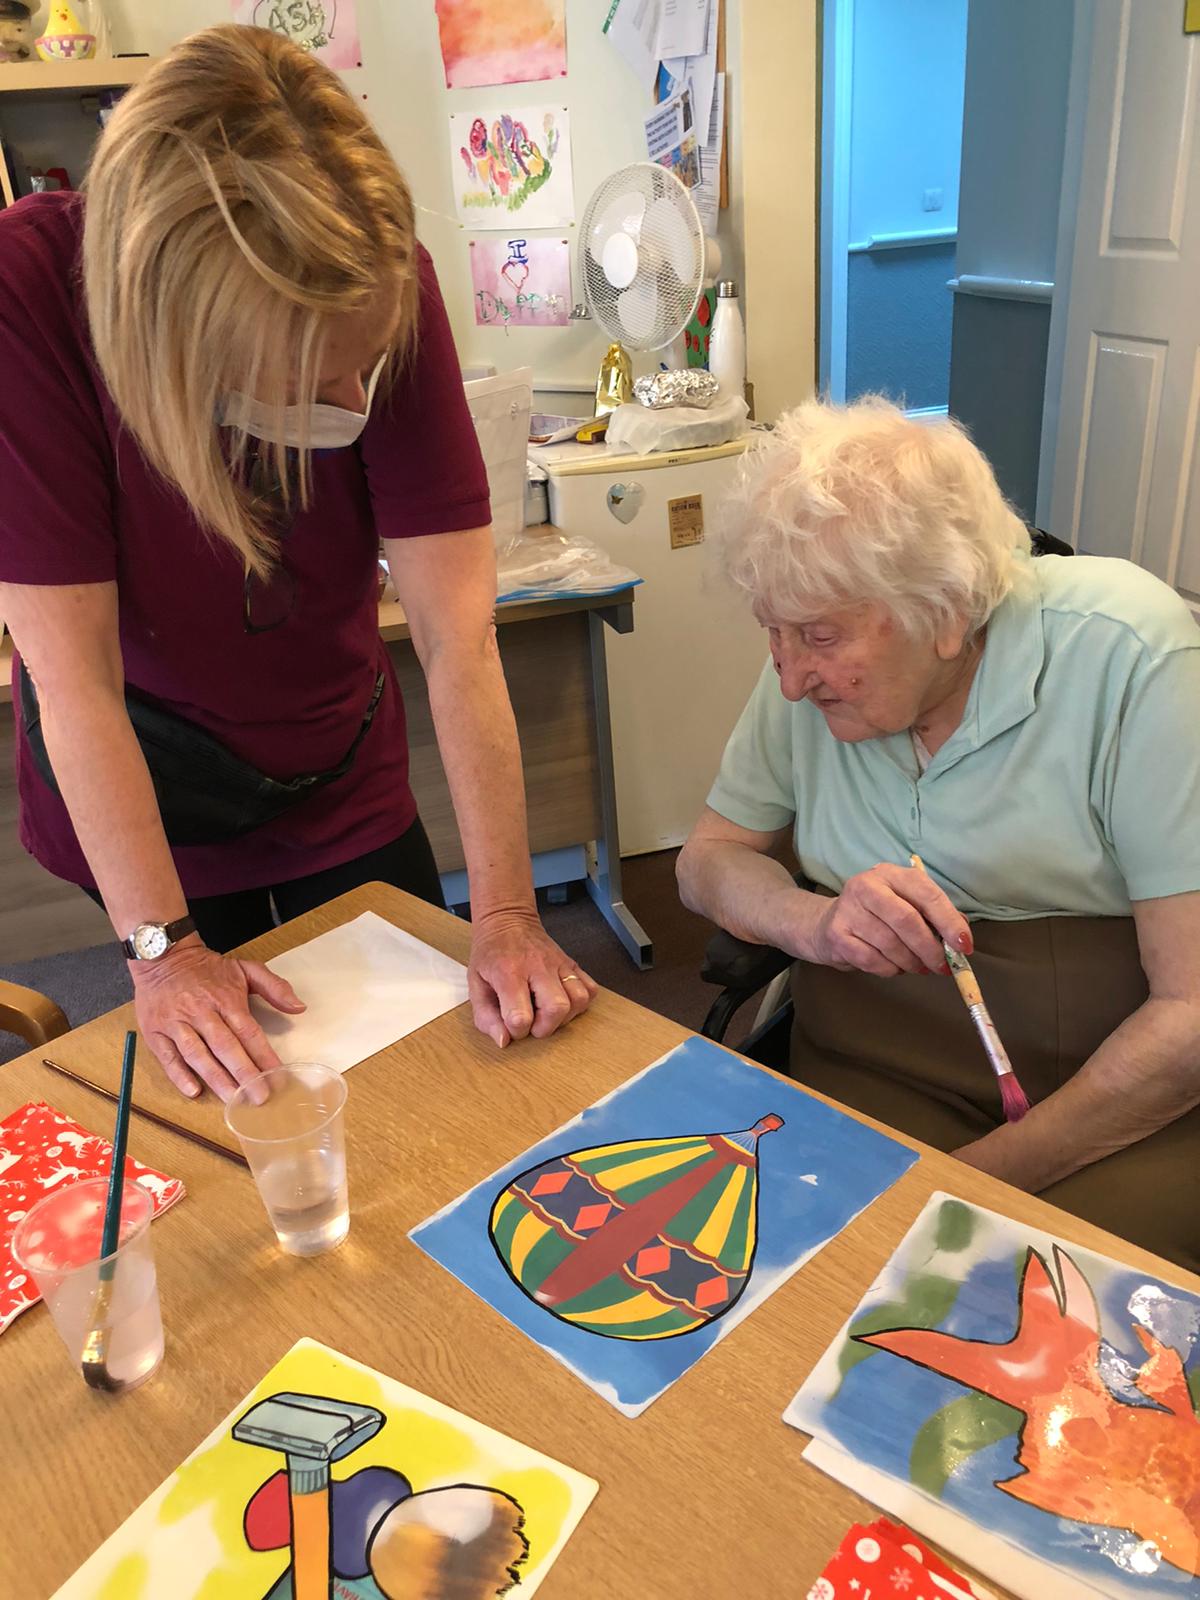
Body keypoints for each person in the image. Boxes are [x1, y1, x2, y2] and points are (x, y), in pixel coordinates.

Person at [0, 26, 596, 1104]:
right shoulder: (29, 294)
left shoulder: (381, 279)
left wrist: (508, 913)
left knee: (426, 1079)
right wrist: (164, 954)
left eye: (362, 365)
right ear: (183, 341)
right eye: (310, 377)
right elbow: (73, 680)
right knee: (236, 1095)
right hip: (149, 782)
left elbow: (459, 635)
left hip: (337, 757)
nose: (351, 401)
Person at [677, 397, 1200, 1270]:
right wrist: (814, 923)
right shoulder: (806, 670)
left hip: (1109, 1101)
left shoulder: (1131, 653)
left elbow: (1190, 1013)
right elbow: (707, 861)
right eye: (773, 633)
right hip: (870, 1064)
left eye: (819, 637)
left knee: (1028, 1295)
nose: (791, 679)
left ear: (947, 610)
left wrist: (965, 1185)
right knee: (770, 1274)